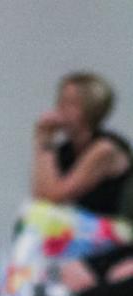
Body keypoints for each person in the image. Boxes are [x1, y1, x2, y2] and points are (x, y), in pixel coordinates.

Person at [31, 72, 132, 217]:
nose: (60, 108)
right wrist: (44, 143)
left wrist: (46, 144)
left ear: (89, 108)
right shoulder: (65, 151)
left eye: (69, 103)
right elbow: (40, 197)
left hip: (115, 228)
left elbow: (54, 198)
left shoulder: (105, 148)